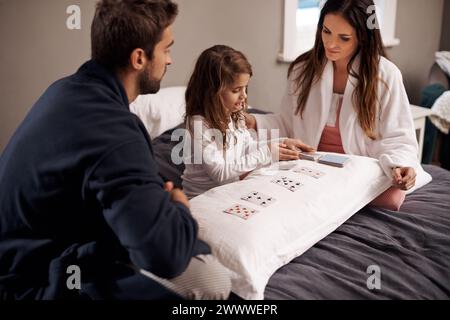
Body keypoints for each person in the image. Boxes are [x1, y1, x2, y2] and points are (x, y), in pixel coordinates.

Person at [0, 0, 231, 300]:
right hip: (32, 283)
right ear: (139, 58)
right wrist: (180, 209)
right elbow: (166, 256)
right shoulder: (116, 132)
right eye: (167, 49)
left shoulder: (64, 90)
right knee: (212, 280)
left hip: (21, 255)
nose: (170, 61)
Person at [245, 0, 430, 211]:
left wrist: (401, 167)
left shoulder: (386, 76)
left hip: (360, 166)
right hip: (310, 164)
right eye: (326, 31)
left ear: (362, 37)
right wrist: (252, 121)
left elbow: (399, 138)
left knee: (391, 197)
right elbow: (287, 123)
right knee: (251, 172)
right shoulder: (302, 70)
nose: (331, 44)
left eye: (343, 38)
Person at [181, 45, 313, 199]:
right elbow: (220, 173)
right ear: (212, 91)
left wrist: (281, 142)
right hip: (201, 197)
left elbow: (245, 147)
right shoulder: (198, 124)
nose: (243, 96)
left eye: (245, 88)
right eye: (236, 90)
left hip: (228, 190)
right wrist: (267, 152)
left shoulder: (234, 113)